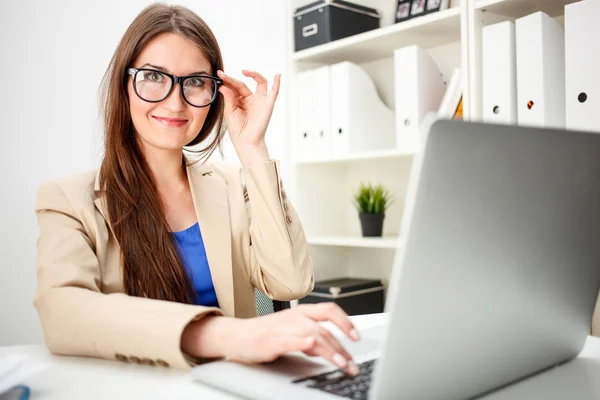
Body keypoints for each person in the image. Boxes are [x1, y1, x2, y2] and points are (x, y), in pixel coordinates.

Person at [33, 3, 360, 376]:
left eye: (195, 82)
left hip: (234, 385)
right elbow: (63, 313)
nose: (175, 101)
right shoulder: (67, 200)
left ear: (214, 93)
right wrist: (226, 334)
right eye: (154, 76)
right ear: (124, 85)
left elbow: (290, 282)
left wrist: (253, 150)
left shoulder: (235, 184)